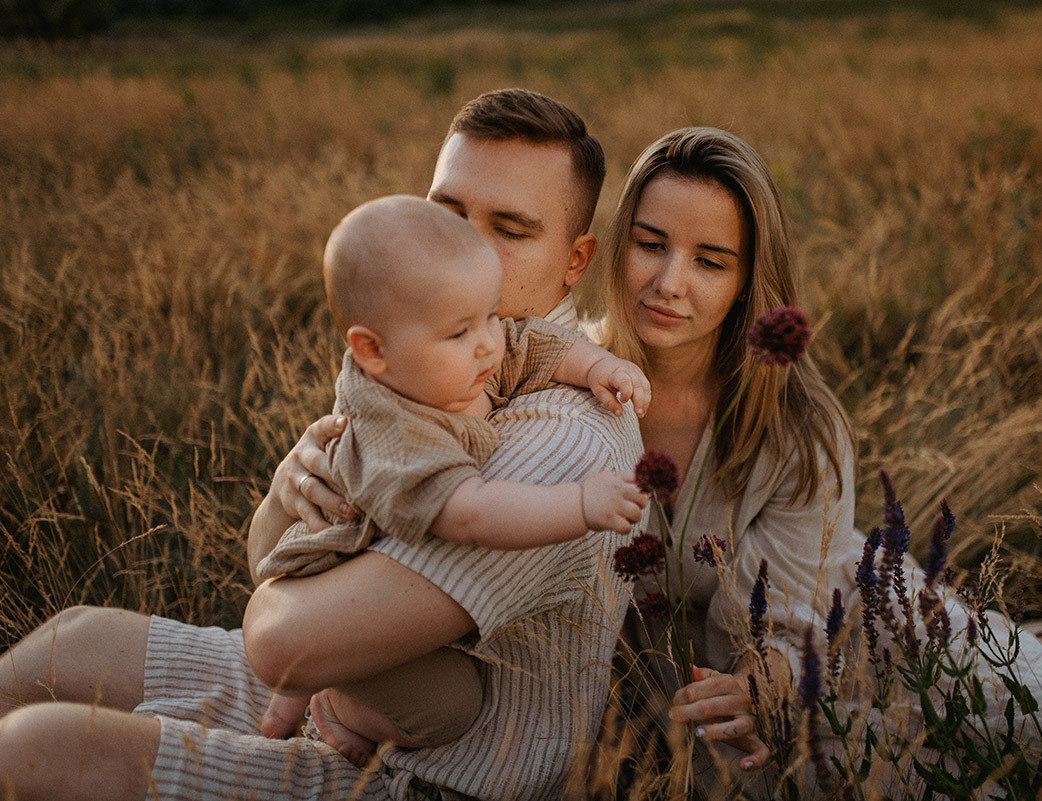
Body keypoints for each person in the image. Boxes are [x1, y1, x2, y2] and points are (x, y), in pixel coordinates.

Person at [0, 88, 643, 801]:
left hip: (422, 776)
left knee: (34, 753)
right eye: (447, 212)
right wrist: (292, 488)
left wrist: (296, 629)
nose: (463, 245)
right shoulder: (429, 357)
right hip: (329, 677)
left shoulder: (565, 437)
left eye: (509, 228)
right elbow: (267, 554)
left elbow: (284, 642)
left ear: (575, 260)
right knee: (68, 644)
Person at [593, 126, 1042, 794]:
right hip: (699, 696)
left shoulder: (797, 423)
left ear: (748, 281)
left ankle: (1015, 648)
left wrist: (764, 684)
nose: (669, 283)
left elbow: (785, 623)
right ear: (619, 242)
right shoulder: (565, 389)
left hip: (850, 623)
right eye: (650, 244)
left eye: (710, 262)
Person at [254, 193, 649, 767]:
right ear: (372, 351)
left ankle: (300, 694)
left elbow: (532, 347)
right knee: (451, 707)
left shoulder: (447, 358)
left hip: (340, 602)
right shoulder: (397, 432)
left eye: (489, 315)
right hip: (330, 582)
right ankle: (332, 703)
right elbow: (471, 512)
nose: (489, 341)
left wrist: (600, 367)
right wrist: (580, 503)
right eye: (462, 331)